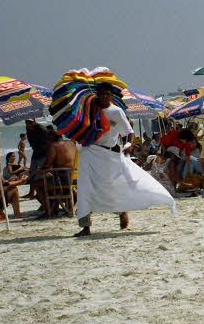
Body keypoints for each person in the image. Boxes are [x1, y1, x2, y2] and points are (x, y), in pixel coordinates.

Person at [74, 82, 175, 235]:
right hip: (89, 153)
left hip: (109, 154)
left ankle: (122, 212)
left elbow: (129, 131)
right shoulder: (88, 110)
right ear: (96, 94)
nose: (103, 97)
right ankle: (85, 226)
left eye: (106, 94)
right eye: (101, 94)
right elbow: (79, 130)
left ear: (110, 95)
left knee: (112, 186)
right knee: (85, 188)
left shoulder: (116, 111)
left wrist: (129, 144)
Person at [34, 129, 76, 217]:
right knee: (49, 180)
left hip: (62, 179)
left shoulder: (54, 146)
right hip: (75, 176)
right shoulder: (71, 143)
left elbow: (47, 165)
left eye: (47, 139)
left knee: (37, 184)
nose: (47, 141)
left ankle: (50, 210)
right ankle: (60, 207)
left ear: (51, 137)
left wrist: (39, 169)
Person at [23, 120, 50, 199]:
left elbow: (47, 143)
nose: (27, 124)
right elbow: (32, 144)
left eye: (29, 122)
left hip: (43, 154)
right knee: (32, 173)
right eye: (26, 122)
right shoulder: (29, 131)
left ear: (33, 122)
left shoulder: (42, 129)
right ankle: (31, 192)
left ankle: (39, 193)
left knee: (41, 174)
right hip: (36, 153)